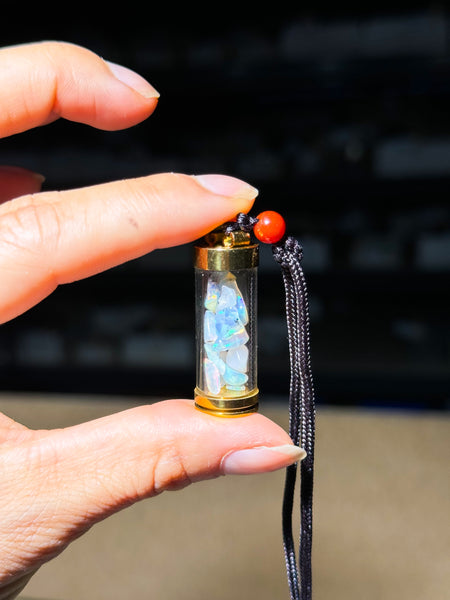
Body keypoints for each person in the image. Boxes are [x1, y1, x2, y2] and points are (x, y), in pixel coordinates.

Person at [0, 41, 305, 599]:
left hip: (228, 391)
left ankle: (228, 390)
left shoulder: (232, 276)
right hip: (224, 391)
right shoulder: (223, 280)